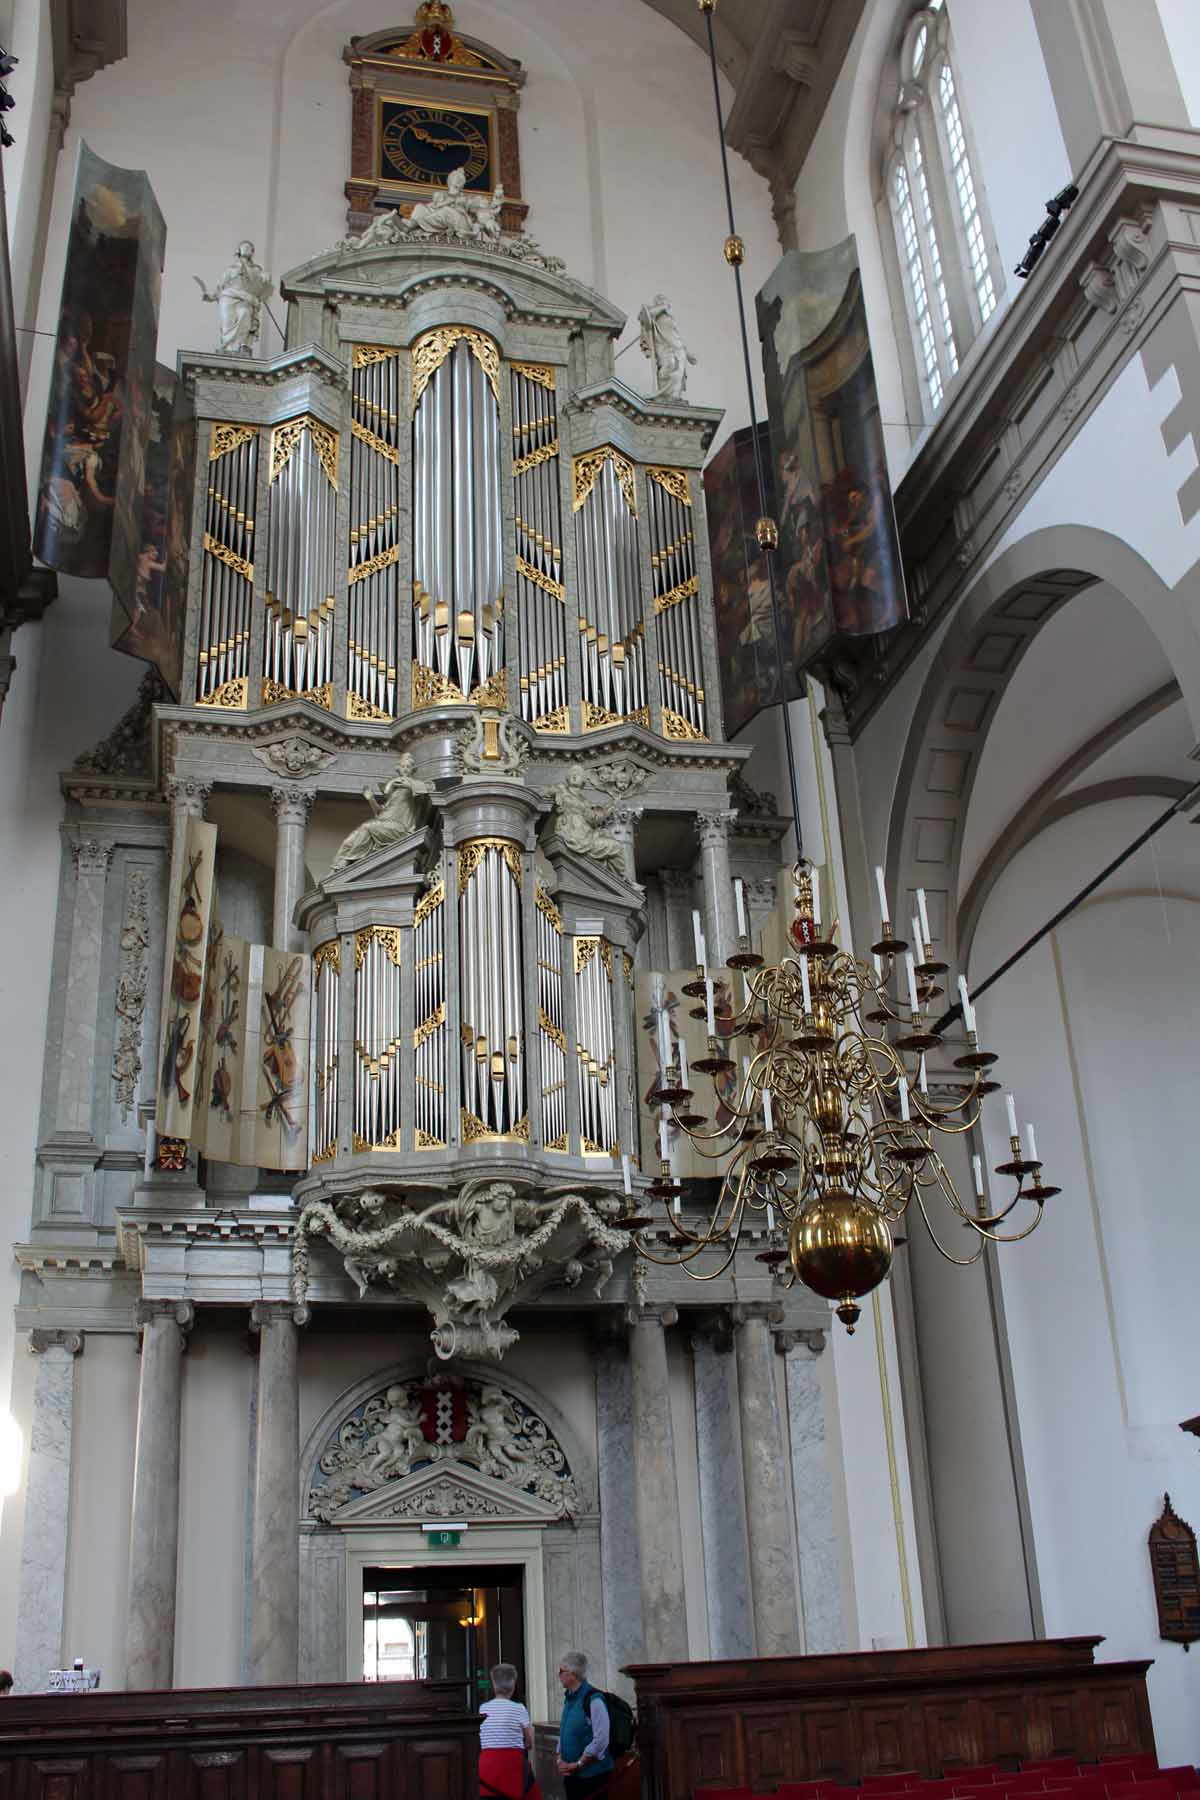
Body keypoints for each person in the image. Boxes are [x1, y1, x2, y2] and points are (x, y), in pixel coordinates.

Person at [479, 1662, 542, 1800]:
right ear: (513, 1685)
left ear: (494, 1685)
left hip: (487, 1766)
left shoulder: (483, 1709)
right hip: (513, 1766)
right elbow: (530, 1741)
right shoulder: (519, 1709)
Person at [556, 1650, 613, 1798]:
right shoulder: (569, 1698)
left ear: (573, 1674)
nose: (559, 1675)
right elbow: (565, 1730)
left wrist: (580, 1764)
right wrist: (560, 1759)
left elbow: (601, 1739)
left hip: (592, 1778)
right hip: (572, 1777)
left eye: (562, 1671)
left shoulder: (594, 1700)